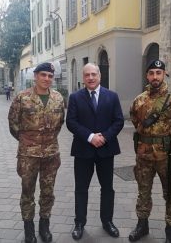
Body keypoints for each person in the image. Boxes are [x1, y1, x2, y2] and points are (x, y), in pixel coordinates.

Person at [129, 59, 171, 243]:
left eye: (158, 73)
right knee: (143, 191)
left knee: (170, 192)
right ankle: (142, 224)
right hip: (144, 156)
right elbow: (135, 121)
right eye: (152, 73)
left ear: (164, 74)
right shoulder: (139, 100)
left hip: (166, 157)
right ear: (147, 75)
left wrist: (166, 141)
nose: (155, 76)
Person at [66, 63, 124, 240]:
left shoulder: (112, 96)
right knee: (81, 189)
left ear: (99, 75)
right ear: (83, 78)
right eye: (87, 75)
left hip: (106, 151)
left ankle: (107, 222)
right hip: (83, 151)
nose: (90, 78)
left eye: (93, 74)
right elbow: (71, 122)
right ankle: (79, 223)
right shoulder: (75, 97)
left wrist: (104, 137)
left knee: (107, 189)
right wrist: (91, 137)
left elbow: (119, 121)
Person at [8, 62, 65, 243]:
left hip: (50, 154)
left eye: (50, 76)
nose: (46, 79)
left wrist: (46, 141)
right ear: (36, 76)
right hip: (28, 155)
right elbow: (13, 124)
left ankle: (44, 225)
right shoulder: (22, 98)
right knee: (28, 191)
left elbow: (59, 124)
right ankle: (29, 228)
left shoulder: (58, 98)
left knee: (48, 191)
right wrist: (29, 142)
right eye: (43, 75)